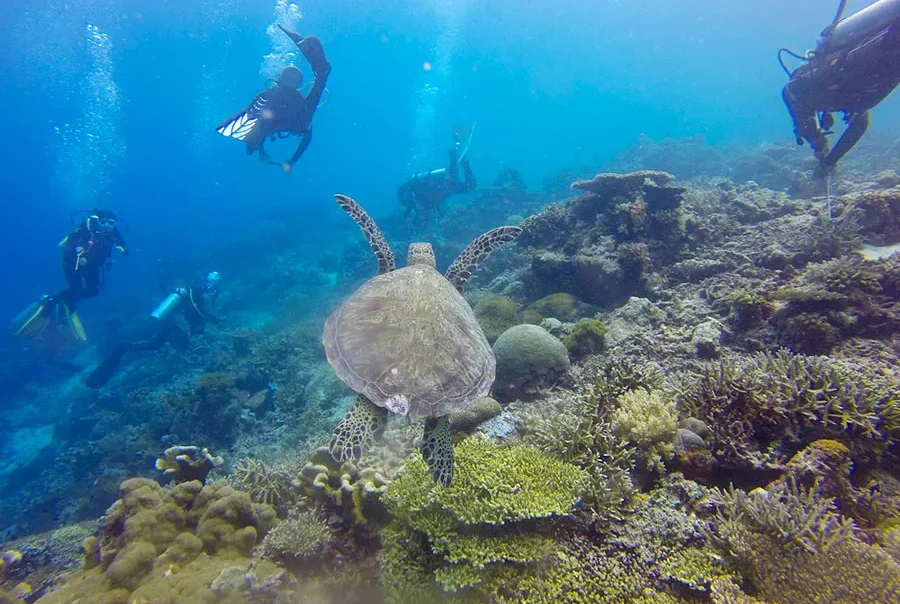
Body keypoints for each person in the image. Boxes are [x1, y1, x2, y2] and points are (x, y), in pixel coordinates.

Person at [782, 0, 900, 176]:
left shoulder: (806, 85)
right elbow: (859, 125)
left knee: (889, 47)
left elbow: (791, 92)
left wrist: (816, 141)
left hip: (862, 64)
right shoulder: (848, 102)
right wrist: (829, 161)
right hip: (877, 71)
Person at [217, 25, 331, 172]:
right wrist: (290, 161)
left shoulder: (269, 96)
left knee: (256, 135)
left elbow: (253, 120)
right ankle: (322, 72)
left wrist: (262, 150)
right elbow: (306, 137)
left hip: (284, 120)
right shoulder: (282, 100)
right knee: (305, 114)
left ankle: (323, 72)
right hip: (293, 120)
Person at [84, 271, 221, 388]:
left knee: (154, 345)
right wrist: (217, 320)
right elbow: (208, 314)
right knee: (179, 348)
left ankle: (124, 349)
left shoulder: (192, 291)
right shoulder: (205, 295)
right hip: (177, 328)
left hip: (170, 325)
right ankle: (123, 350)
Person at [12, 209, 129, 342]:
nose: (107, 226)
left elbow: (123, 245)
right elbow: (72, 241)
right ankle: (51, 301)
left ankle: (67, 300)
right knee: (76, 289)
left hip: (92, 264)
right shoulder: (87, 229)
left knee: (93, 291)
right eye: (103, 222)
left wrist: (123, 250)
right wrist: (79, 249)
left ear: (115, 224)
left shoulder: (113, 233)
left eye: (111, 223)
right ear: (98, 220)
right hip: (73, 262)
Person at [398, 127, 477, 230]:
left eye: (421, 220)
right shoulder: (426, 208)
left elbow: (424, 193)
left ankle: (454, 148)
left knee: (453, 177)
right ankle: (465, 161)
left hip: (440, 184)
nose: (424, 218)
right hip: (445, 191)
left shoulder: (416, 201)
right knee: (471, 185)